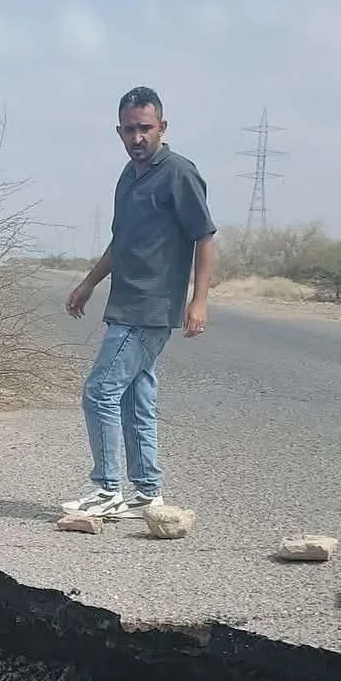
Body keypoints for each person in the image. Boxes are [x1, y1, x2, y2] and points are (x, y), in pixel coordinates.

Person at [62, 85, 216, 519]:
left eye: (146, 128)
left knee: (100, 392)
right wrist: (89, 283)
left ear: (162, 127)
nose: (138, 138)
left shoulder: (178, 173)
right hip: (123, 303)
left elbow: (204, 238)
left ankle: (108, 488)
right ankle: (147, 492)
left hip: (152, 306)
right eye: (130, 130)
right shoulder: (128, 177)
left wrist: (198, 301)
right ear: (119, 131)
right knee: (134, 397)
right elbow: (121, 241)